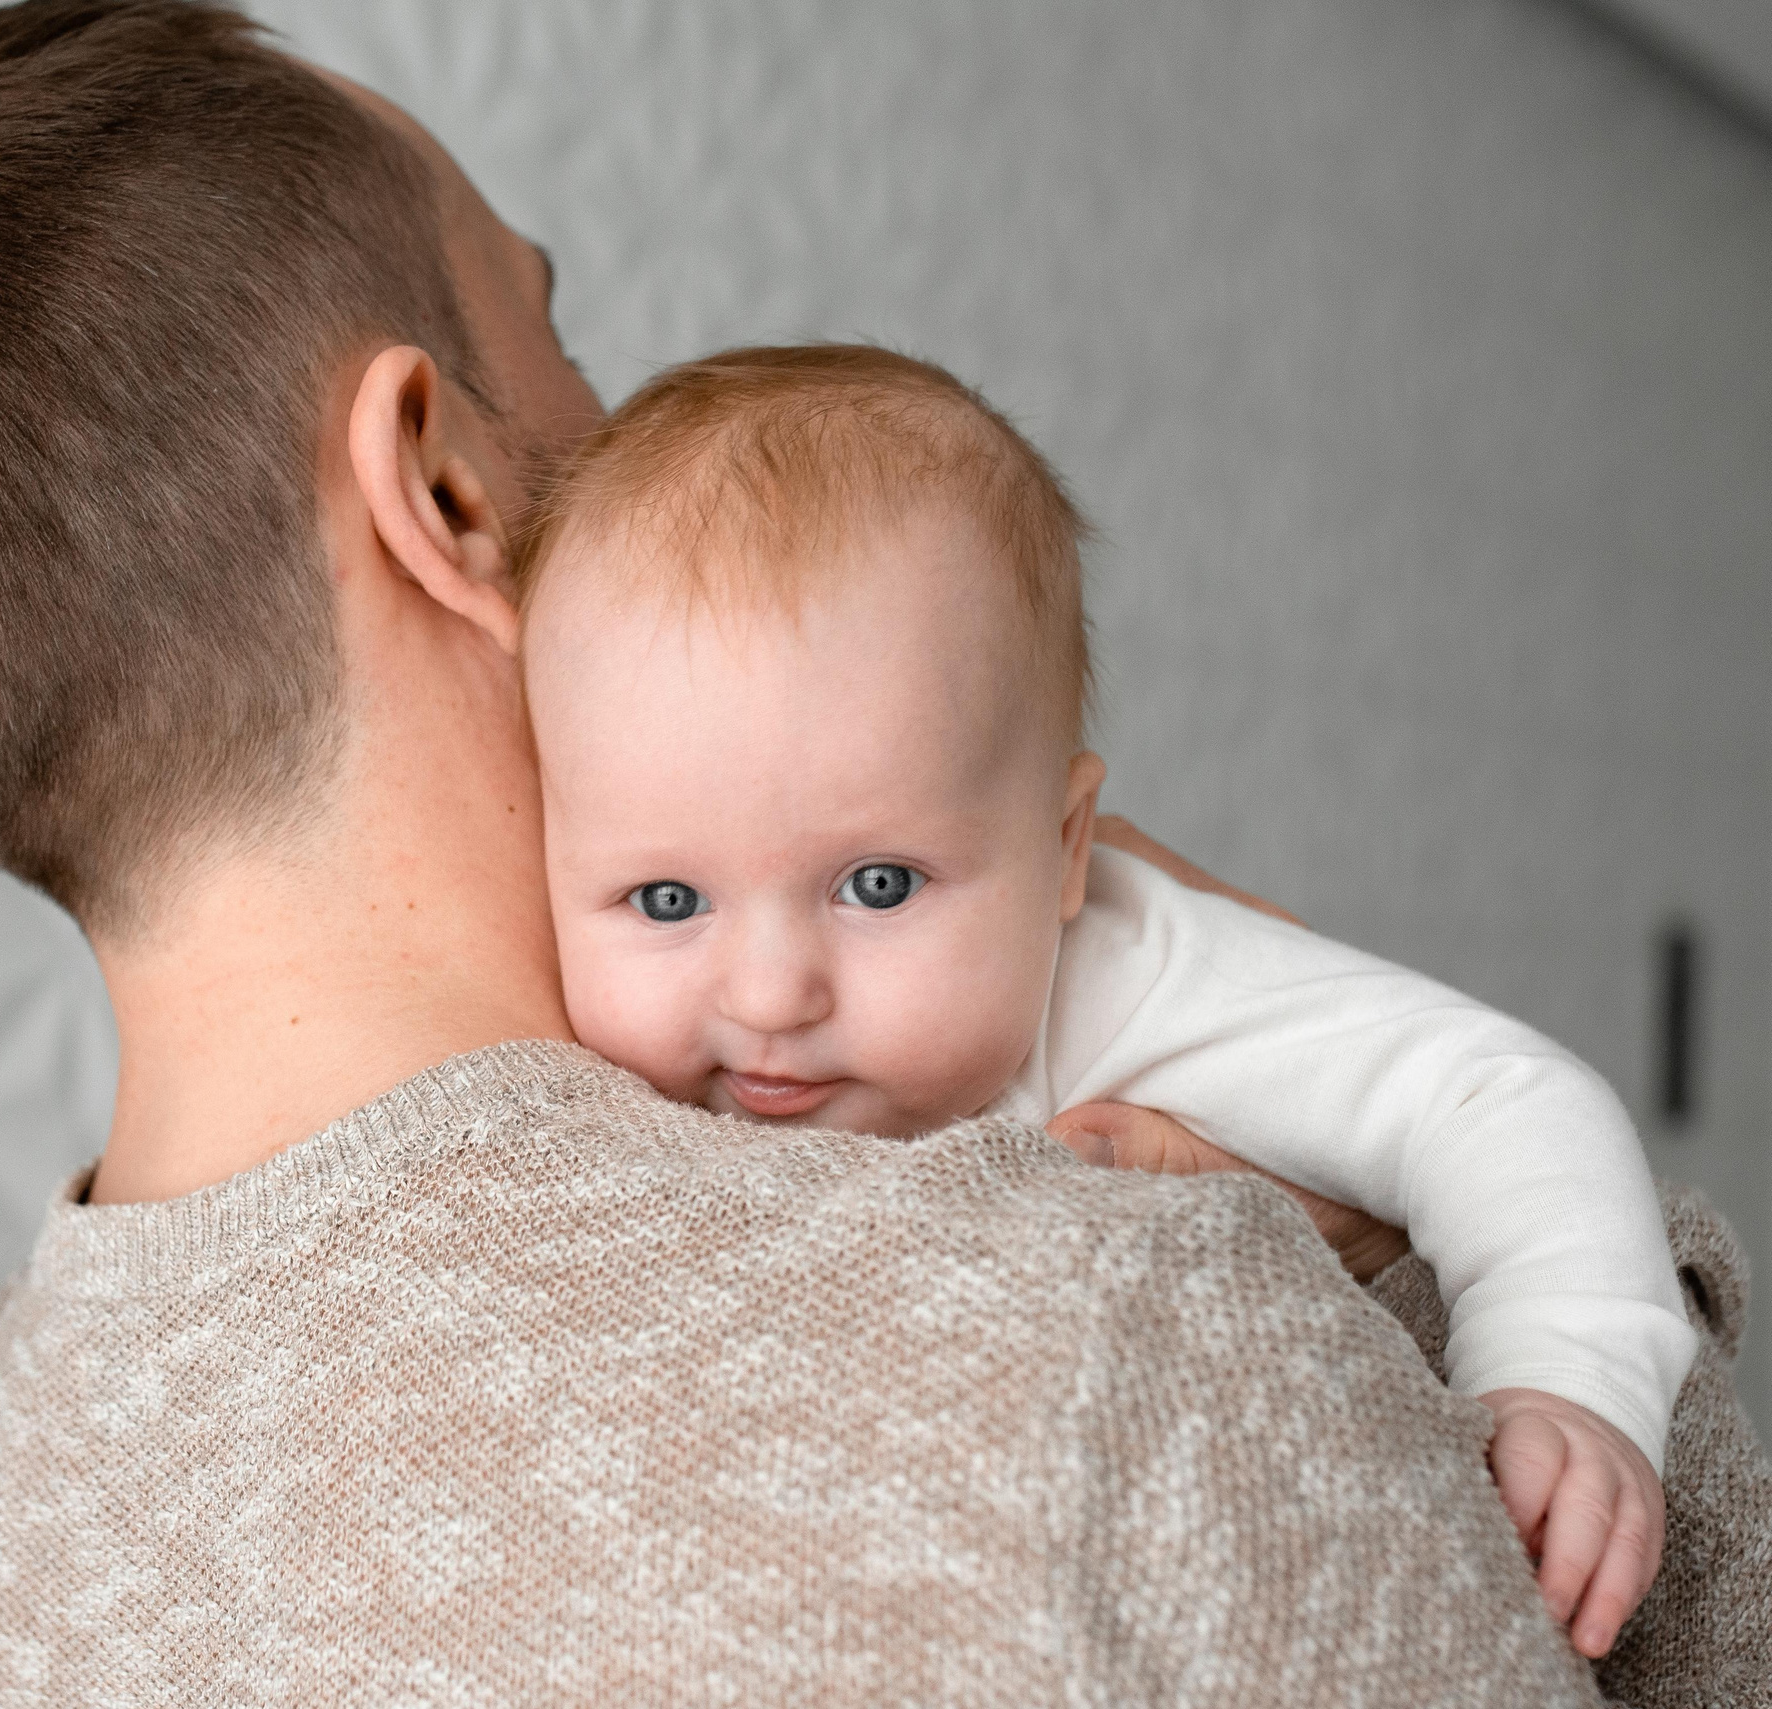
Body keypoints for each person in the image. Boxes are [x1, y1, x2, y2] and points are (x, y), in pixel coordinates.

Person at [0, 2, 1765, 1701]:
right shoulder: (1118, 1328)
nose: (624, 417)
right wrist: (1393, 1299)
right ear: (441, 492)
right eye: (556, 336)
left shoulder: (9, 1490)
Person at [511, 343, 1689, 1659]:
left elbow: (1494, 1098)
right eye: (668, 899)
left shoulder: (1132, 979)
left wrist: (1567, 1382)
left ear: (1065, 847)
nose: (770, 994)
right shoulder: (538, 1085)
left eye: (879, 884)